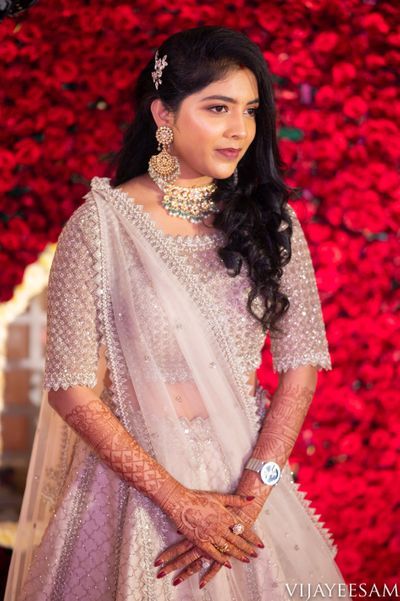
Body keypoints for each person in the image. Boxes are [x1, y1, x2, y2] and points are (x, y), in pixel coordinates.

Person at [5, 25, 350, 601]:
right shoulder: (101, 226)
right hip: (132, 488)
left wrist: (251, 497)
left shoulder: (271, 222)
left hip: (248, 486)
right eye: (217, 108)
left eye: (250, 111)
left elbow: (301, 365)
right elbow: (69, 387)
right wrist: (179, 502)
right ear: (164, 113)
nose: (239, 130)